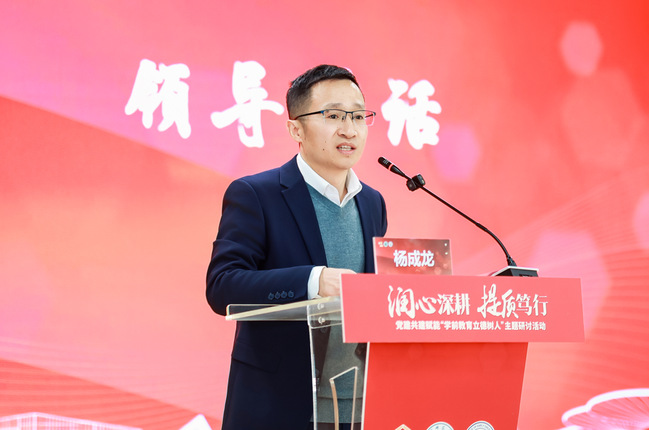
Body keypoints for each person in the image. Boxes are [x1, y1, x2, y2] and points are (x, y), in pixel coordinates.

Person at [206, 64, 388, 430]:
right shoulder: (256, 194)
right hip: (279, 403)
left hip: (358, 403)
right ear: (296, 129)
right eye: (333, 115)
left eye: (358, 116)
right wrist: (314, 280)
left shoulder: (373, 202)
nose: (349, 129)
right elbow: (222, 286)